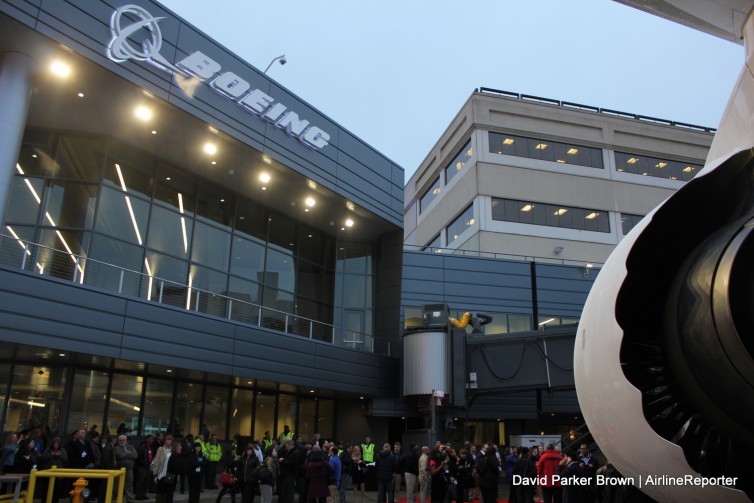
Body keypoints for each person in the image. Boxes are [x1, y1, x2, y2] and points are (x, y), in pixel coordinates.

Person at [115, 434, 139, 503]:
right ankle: (116, 498)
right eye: (120, 440)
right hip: (119, 469)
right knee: (118, 484)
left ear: (126, 440)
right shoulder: (117, 447)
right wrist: (129, 454)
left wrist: (126, 454)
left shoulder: (130, 447)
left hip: (129, 469)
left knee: (129, 484)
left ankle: (130, 499)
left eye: (123, 440)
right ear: (118, 441)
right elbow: (120, 455)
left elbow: (135, 455)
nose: (122, 441)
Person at [136, 435, 156, 500]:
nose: (151, 440)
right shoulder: (143, 446)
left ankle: (143, 494)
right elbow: (139, 455)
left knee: (146, 481)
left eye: (152, 439)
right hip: (142, 466)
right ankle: (138, 495)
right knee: (140, 480)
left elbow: (152, 455)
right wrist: (143, 462)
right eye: (150, 439)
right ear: (147, 439)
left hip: (148, 466)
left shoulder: (151, 447)